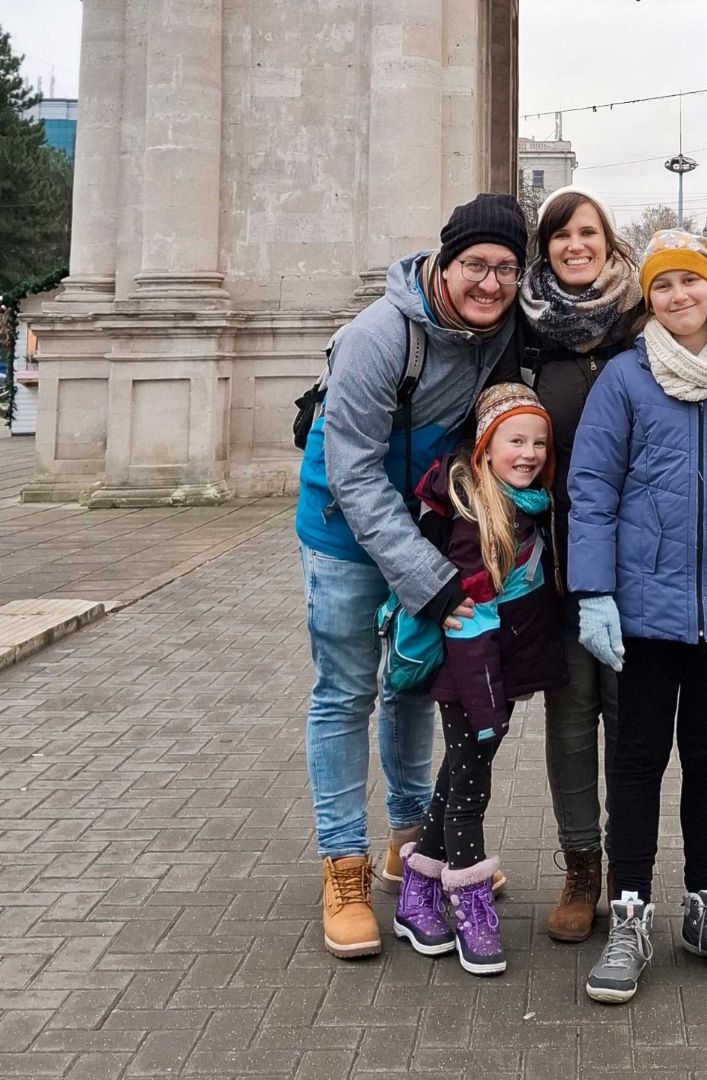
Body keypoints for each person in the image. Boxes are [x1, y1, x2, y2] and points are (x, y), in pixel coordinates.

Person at [519, 187, 707, 943]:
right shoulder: (626, 373)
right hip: (640, 606)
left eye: (690, 280)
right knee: (635, 759)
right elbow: (592, 490)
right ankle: (627, 912)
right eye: (664, 285)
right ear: (646, 299)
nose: (679, 295)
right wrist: (595, 591)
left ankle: (706, 909)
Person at [294, 193, 529, 959]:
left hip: (421, 527)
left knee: (409, 686)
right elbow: (355, 475)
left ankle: (407, 843)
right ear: (444, 262)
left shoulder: (497, 330)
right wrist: (432, 580)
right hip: (342, 529)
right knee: (345, 693)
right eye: (476, 265)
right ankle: (343, 866)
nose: (491, 283)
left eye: (506, 269)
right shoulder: (377, 337)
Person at [393, 383, 567, 975]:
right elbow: (471, 623)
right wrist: (488, 704)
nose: (529, 453)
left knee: (457, 776)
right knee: (471, 789)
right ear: (486, 447)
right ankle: (469, 902)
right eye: (515, 441)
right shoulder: (479, 520)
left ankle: (417, 893)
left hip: (496, 674)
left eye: (539, 442)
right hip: (471, 679)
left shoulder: (528, 505)